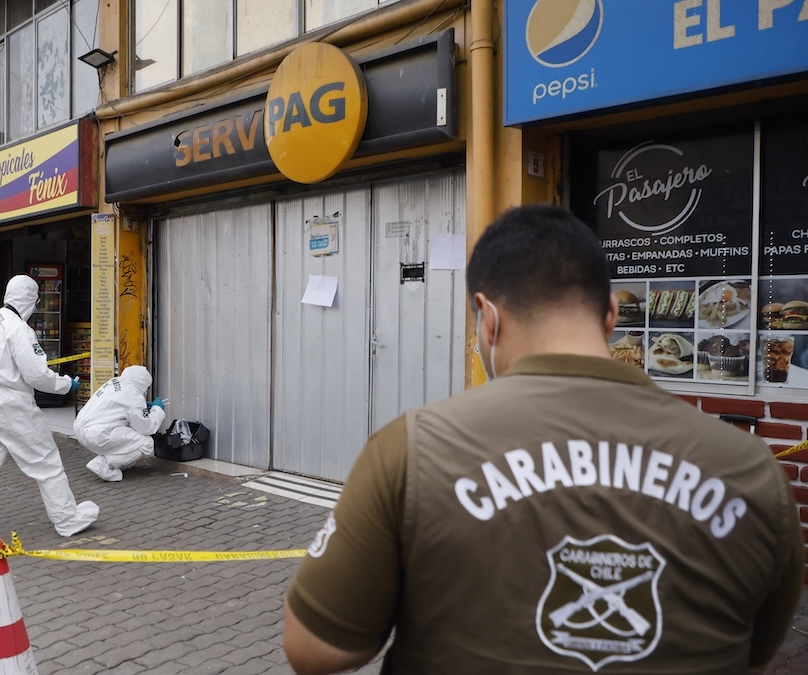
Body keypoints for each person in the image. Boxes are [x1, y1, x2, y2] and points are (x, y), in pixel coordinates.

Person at [282, 205, 803, 674]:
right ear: (611, 318)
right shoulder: (751, 470)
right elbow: (753, 654)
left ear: (487, 319)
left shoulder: (412, 450)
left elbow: (315, 648)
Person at [0, 275, 98, 550]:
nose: (36, 305)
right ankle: (67, 518)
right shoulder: (19, 329)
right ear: (29, 299)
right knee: (46, 461)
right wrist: (64, 384)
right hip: (11, 404)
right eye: (36, 300)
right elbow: (37, 374)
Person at [74, 365, 166, 481]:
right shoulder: (134, 395)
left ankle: (121, 463)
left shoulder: (114, 382)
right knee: (146, 443)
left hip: (81, 429)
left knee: (127, 440)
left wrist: (142, 407)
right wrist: (157, 409)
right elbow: (146, 428)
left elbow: (119, 406)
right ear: (143, 384)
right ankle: (104, 465)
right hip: (99, 434)